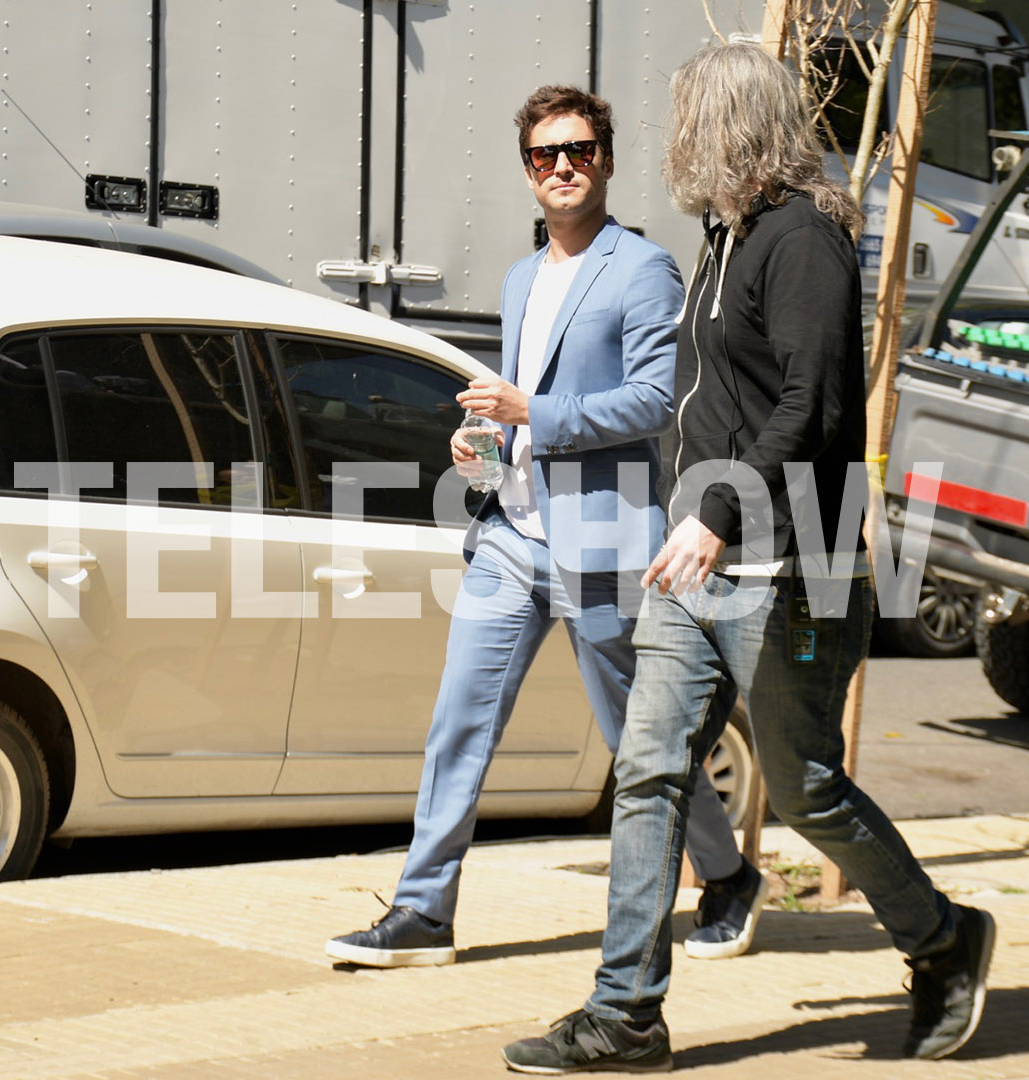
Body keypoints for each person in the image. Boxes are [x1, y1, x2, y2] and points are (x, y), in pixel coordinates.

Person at [502, 44, 996, 1074]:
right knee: (647, 772)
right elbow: (702, 404)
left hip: (794, 564)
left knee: (807, 785)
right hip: (698, 558)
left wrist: (719, 510)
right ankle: (626, 1010)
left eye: (688, 116)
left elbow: (811, 406)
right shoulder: (725, 235)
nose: (675, 137)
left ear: (728, 126)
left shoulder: (804, 239)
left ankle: (945, 939)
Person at [326, 85, 767, 969]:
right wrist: (482, 446)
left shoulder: (642, 269)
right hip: (510, 538)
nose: (560, 168)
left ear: (605, 160)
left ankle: (726, 876)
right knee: (458, 723)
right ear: (527, 171)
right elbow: (515, 398)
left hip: (603, 542)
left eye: (577, 152)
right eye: (543, 156)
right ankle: (423, 912)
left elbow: (654, 400)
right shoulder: (523, 277)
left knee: (638, 736)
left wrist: (535, 409)